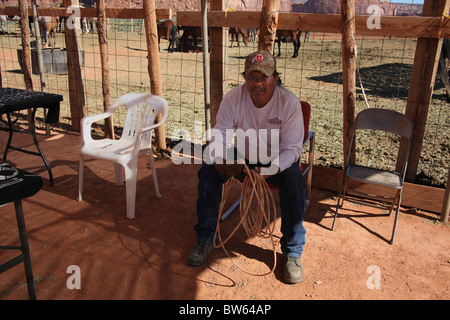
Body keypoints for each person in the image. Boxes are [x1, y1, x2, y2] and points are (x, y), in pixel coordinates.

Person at [187, 50, 307, 284]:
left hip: (276, 160)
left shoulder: (289, 102)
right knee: (209, 169)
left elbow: (293, 148)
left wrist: (270, 169)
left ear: (275, 78)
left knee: (294, 179)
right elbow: (220, 134)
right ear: (245, 78)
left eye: (263, 77)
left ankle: (292, 251)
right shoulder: (234, 98)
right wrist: (221, 158)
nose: (257, 83)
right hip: (243, 157)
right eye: (251, 77)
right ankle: (205, 238)